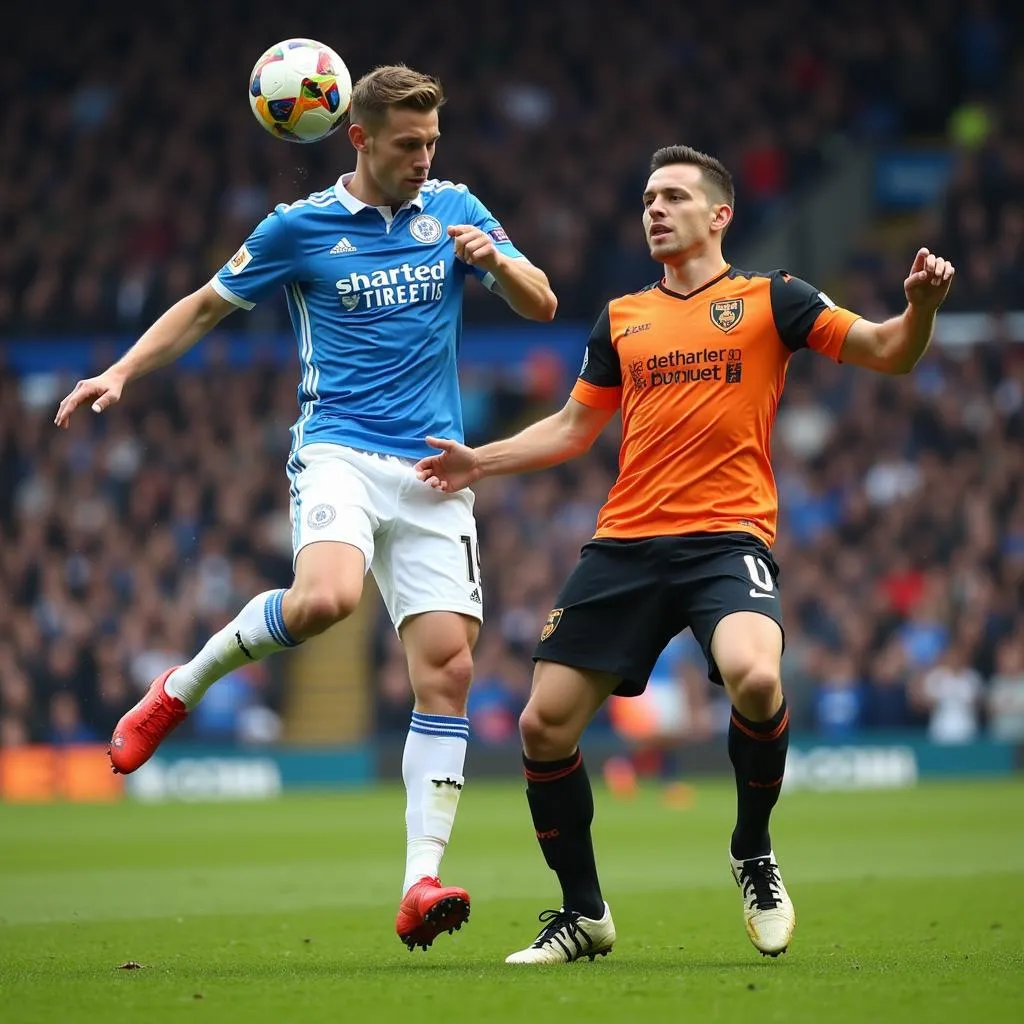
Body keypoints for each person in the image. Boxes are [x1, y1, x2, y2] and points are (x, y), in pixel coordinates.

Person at [53, 64, 557, 952]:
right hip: (341, 451)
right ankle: (179, 688)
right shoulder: (301, 227)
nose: (424, 158)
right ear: (358, 138)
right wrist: (124, 368)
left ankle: (419, 883)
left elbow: (543, 300)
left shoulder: (459, 210)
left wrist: (498, 259)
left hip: (438, 466)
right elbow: (208, 307)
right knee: (326, 598)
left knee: (446, 671)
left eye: (433, 142)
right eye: (409, 145)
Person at [414, 144, 954, 963]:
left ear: (719, 214)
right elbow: (573, 427)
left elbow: (888, 351)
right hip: (625, 544)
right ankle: (583, 913)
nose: (654, 210)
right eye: (646, 199)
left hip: (725, 539)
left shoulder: (775, 299)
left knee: (758, 675)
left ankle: (753, 850)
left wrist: (918, 309)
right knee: (542, 725)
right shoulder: (623, 316)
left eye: (672, 196)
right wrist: (476, 460)